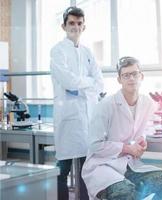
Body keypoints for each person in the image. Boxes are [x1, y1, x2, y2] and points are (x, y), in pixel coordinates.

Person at [82, 56, 162, 200]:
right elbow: (95, 146)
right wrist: (127, 148)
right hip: (102, 166)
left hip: (128, 164)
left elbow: (146, 127)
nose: (131, 78)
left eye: (134, 74)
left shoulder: (147, 103)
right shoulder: (105, 106)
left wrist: (142, 140)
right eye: (126, 75)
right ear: (119, 79)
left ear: (141, 76)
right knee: (125, 192)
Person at [50, 6, 104, 200]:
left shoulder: (88, 52)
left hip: (87, 119)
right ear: (63, 26)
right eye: (71, 23)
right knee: (62, 169)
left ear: (84, 26)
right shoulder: (57, 51)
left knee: (86, 169)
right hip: (67, 117)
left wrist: (82, 85)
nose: (75, 27)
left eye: (79, 23)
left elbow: (100, 83)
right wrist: (87, 83)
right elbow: (68, 81)